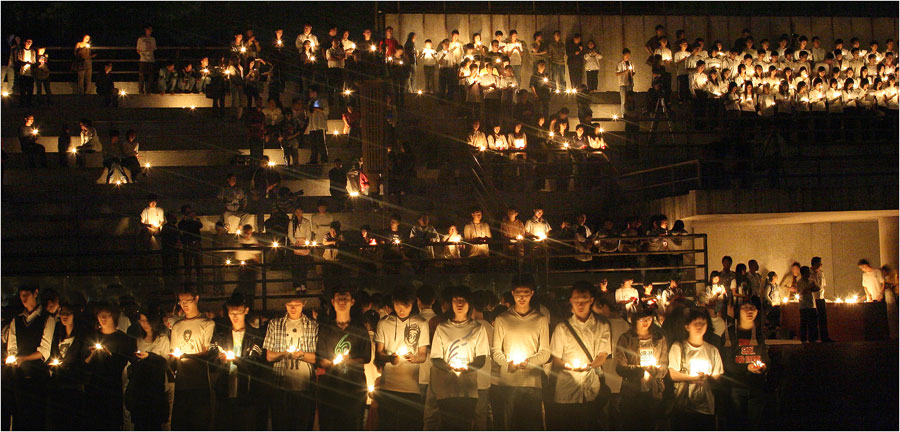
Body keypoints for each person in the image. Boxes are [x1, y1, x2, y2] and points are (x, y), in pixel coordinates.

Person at [490, 276, 550, 430]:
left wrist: (528, 362)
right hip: (509, 382)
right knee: (510, 424)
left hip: (532, 383)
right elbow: (496, 350)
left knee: (532, 424)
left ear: (532, 293)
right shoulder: (502, 319)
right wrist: (507, 363)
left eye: (526, 293)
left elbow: (545, 352)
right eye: (518, 293)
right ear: (512, 293)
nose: (522, 297)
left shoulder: (540, 319)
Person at [549, 282, 611, 430]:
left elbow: (603, 354)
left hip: (591, 388)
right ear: (570, 301)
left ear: (591, 300)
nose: (580, 304)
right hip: (566, 389)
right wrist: (569, 366)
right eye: (576, 301)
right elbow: (556, 359)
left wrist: (589, 366)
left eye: (584, 301)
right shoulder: (562, 328)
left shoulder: (602, 325)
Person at [429, 286, 490, 430]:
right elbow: (435, 357)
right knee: (447, 425)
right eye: (456, 300)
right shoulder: (442, 328)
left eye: (463, 300)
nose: (460, 304)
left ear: (469, 304)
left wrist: (466, 368)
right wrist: (450, 367)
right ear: (451, 303)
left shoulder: (477, 328)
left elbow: (481, 358)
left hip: (468, 389)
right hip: (446, 389)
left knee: (465, 425)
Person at [374, 286, 430, 430]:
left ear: (413, 304)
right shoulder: (384, 323)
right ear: (393, 303)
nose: (402, 309)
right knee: (387, 426)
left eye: (407, 305)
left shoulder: (422, 323)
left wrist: (414, 358)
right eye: (399, 305)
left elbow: (423, 355)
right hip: (388, 386)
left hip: (412, 388)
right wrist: (389, 359)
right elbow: (378, 353)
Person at [317, 287, 372, 430]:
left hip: (354, 387)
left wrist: (349, 361)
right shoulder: (326, 329)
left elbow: (366, 357)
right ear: (332, 302)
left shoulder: (359, 329)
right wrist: (332, 363)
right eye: (339, 298)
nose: (342, 302)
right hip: (331, 387)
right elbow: (321, 359)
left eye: (345, 298)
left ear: (352, 302)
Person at [6, 284, 56, 431]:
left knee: (36, 417)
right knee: (20, 416)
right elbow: (12, 346)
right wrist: (13, 358)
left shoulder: (47, 319)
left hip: (38, 377)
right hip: (19, 377)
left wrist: (23, 358)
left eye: (26, 295)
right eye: (21, 296)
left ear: (35, 293)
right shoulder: (17, 320)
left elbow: (44, 351)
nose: (23, 299)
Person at [668, 308, 724, 431]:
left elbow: (717, 376)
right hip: (685, 405)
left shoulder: (712, 350)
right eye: (695, 323)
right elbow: (673, 374)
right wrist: (694, 378)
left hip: (707, 406)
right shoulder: (679, 347)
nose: (699, 326)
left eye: (702, 323)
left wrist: (708, 378)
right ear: (687, 326)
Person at [169, 285, 216, 430]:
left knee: (200, 422)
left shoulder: (207, 323)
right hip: (182, 382)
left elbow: (208, 352)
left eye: (187, 301)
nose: (184, 305)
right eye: (181, 302)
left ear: (196, 299)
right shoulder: (177, 326)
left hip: (199, 381)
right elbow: (172, 352)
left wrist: (187, 356)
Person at [84, 303, 136, 431]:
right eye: (100, 315)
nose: (103, 318)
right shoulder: (91, 336)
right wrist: (92, 355)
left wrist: (110, 355)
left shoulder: (124, 340)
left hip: (112, 389)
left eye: (107, 315)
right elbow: (83, 362)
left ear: (114, 316)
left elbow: (121, 364)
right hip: (93, 387)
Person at [615, 303, 668, 431]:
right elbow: (620, 368)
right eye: (642, 319)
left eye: (648, 319)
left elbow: (664, 364)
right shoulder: (626, 339)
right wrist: (640, 369)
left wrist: (657, 370)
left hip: (653, 390)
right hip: (632, 391)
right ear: (634, 320)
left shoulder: (659, 339)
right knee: (632, 423)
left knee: (651, 423)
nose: (646, 322)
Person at [723, 298, 770, 430]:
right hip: (736, 387)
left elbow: (765, 358)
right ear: (738, 311)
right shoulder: (729, 333)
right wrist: (747, 367)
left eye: (753, 308)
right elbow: (727, 363)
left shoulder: (759, 333)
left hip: (757, 386)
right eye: (745, 307)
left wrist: (764, 367)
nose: (750, 311)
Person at [128, 309, 172, 431]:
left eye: (147, 321)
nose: (145, 324)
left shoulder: (162, 339)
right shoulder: (138, 340)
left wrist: (149, 356)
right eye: (142, 321)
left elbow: (165, 361)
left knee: (155, 422)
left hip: (156, 387)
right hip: (141, 387)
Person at [305, 87, 329, 164]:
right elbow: (309, 114)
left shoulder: (323, 101)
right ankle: (313, 159)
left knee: (321, 143)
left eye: (311, 92)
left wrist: (317, 109)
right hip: (312, 126)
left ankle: (324, 159)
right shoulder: (310, 102)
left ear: (315, 92)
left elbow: (326, 111)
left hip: (320, 125)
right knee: (313, 144)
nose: (309, 94)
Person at [137, 25, 157, 93]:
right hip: (143, 59)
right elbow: (138, 49)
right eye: (148, 30)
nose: (150, 31)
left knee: (150, 76)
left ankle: (149, 90)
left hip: (151, 59)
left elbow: (154, 49)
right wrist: (142, 55)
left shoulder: (152, 39)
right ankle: (141, 90)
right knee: (142, 75)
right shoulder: (141, 39)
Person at [616, 49, 635, 115]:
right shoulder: (620, 64)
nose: (627, 56)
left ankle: (630, 112)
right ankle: (623, 114)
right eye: (626, 55)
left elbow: (633, 73)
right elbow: (617, 74)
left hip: (630, 83)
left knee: (630, 99)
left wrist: (631, 72)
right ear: (623, 55)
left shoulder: (631, 63)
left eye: (628, 55)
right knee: (623, 99)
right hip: (623, 83)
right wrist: (625, 71)